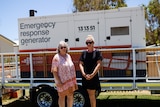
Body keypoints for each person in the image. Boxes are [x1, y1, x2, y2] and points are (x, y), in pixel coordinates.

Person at [51, 40, 78, 107]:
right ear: (59, 49)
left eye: (64, 47)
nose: (63, 48)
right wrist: (58, 81)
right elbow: (54, 71)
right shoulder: (56, 57)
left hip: (70, 80)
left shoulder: (68, 56)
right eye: (61, 47)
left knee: (70, 95)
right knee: (62, 96)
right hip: (61, 81)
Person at [79, 35, 103, 107]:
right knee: (87, 95)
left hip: (93, 77)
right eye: (87, 43)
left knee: (92, 96)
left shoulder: (97, 53)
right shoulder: (84, 53)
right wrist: (83, 74)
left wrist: (92, 74)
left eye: (90, 42)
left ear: (93, 43)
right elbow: (80, 64)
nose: (88, 44)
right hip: (85, 77)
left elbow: (99, 64)